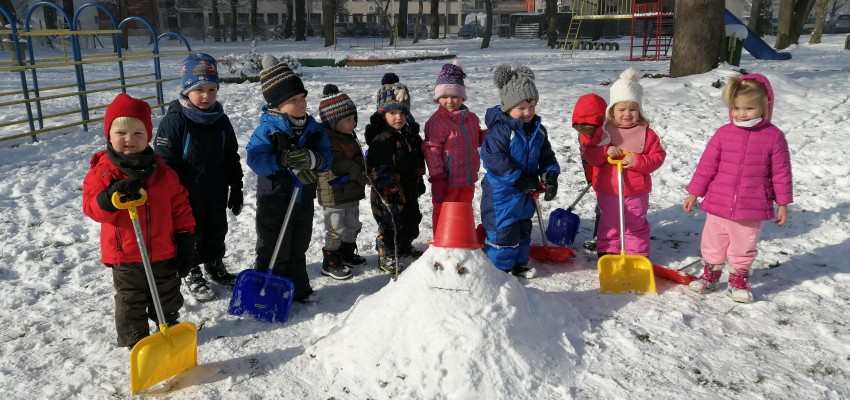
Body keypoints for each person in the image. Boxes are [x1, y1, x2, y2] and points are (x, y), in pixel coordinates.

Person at [82, 93, 195, 348]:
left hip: (164, 250)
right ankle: (136, 340)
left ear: (148, 136)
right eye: (121, 132)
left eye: (138, 133)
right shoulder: (103, 173)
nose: (129, 139)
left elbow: (180, 207)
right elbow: (91, 207)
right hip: (126, 254)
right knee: (131, 299)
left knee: (167, 293)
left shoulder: (163, 173)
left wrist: (186, 238)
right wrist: (109, 198)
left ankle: (168, 326)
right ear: (108, 135)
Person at [683, 74, 792, 304]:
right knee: (713, 242)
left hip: (752, 205)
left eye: (749, 108)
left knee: (744, 245)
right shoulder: (724, 134)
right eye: (736, 108)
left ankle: (738, 281)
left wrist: (782, 203)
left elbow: (781, 173)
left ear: (765, 106)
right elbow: (707, 166)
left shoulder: (773, 137)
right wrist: (694, 193)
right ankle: (710, 277)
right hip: (719, 202)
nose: (741, 114)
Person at [153, 53, 244, 302]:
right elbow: (164, 162)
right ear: (186, 90)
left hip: (216, 188)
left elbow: (231, 155)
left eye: (212, 89)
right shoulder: (175, 120)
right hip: (185, 193)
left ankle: (214, 263)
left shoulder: (221, 120)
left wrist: (236, 185)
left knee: (216, 228)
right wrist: (170, 196)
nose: (206, 96)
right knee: (189, 233)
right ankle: (191, 270)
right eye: (199, 90)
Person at [246, 62, 331, 303]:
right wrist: (280, 159)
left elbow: (327, 157)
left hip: (303, 198)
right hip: (274, 198)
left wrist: (314, 159)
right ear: (277, 105)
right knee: (274, 247)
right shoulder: (268, 130)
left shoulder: (313, 129)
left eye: (302, 97)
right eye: (293, 99)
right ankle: (267, 291)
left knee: (298, 245)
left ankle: (298, 287)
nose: (301, 103)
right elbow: (255, 159)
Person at [480, 64, 560, 280]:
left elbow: (546, 155)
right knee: (503, 230)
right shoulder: (501, 131)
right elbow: (494, 159)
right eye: (521, 107)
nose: (528, 112)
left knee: (523, 228)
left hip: (526, 191)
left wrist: (550, 175)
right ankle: (499, 270)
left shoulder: (538, 130)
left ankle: (518, 264)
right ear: (508, 107)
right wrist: (519, 179)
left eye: (532, 106)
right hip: (502, 192)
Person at [582, 67, 666, 260]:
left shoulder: (647, 134)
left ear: (639, 110)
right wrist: (605, 151)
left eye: (633, 109)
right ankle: (608, 252)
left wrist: (638, 160)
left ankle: (637, 255)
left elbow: (657, 157)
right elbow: (590, 155)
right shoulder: (605, 132)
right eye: (621, 109)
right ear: (612, 111)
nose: (627, 113)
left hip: (636, 192)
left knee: (636, 224)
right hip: (609, 190)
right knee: (609, 223)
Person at [365, 73, 426, 274]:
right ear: (383, 114)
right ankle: (386, 254)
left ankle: (404, 246)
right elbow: (379, 170)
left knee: (411, 219)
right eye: (392, 113)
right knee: (390, 223)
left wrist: (419, 178)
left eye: (402, 112)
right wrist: (390, 192)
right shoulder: (382, 140)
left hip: (408, 187)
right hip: (388, 192)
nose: (398, 117)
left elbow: (417, 158)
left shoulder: (410, 135)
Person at [423, 60, 487, 235]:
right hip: (447, 181)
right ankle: (442, 239)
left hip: (467, 178)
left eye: (454, 96)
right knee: (444, 212)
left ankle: (462, 237)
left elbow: (475, 139)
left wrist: (490, 135)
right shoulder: (437, 122)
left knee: (463, 210)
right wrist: (438, 178)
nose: (449, 101)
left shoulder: (471, 119)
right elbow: (432, 150)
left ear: (462, 97)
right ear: (438, 98)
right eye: (444, 97)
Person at [316, 84, 368, 280]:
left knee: (352, 224)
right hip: (335, 193)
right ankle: (330, 260)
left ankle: (347, 252)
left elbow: (354, 158)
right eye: (348, 119)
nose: (353, 122)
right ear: (333, 122)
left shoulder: (347, 136)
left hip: (351, 192)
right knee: (335, 228)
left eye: (354, 117)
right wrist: (358, 170)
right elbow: (339, 164)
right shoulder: (327, 140)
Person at [571, 93, 607, 251]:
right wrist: (591, 179)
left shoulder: (611, 132)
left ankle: (622, 238)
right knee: (602, 206)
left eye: (592, 131)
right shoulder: (583, 135)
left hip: (616, 177)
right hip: (599, 176)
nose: (589, 135)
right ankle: (599, 237)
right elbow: (586, 160)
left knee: (615, 208)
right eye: (584, 132)